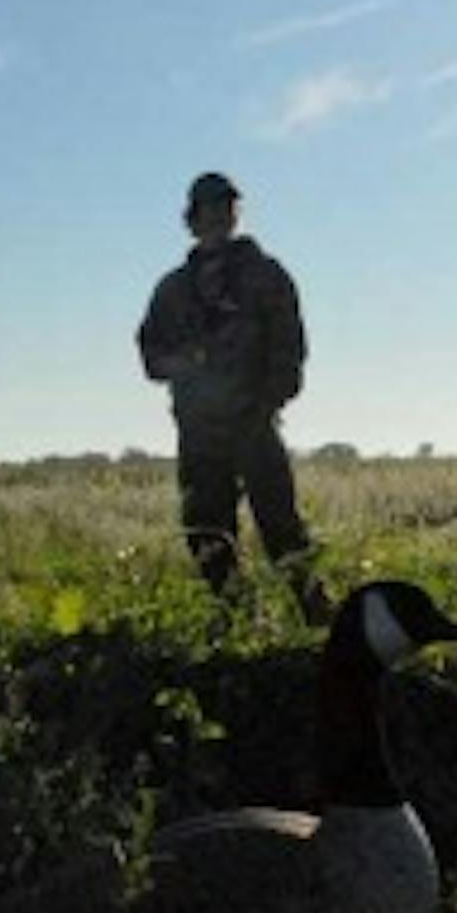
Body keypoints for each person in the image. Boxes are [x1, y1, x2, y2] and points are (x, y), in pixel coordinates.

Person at [138, 172, 329, 621]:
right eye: (208, 210)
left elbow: (290, 348)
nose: (218, 218)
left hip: (253, 422)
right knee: (206, 532)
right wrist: (185, 366)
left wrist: (266, 403)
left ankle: (318, 619)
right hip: (199, 429)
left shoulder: (266, 276)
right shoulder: (172, 290)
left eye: (226, 209)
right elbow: (150, 354)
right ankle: (241, 619)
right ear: (192, 219)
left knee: (282, 527)